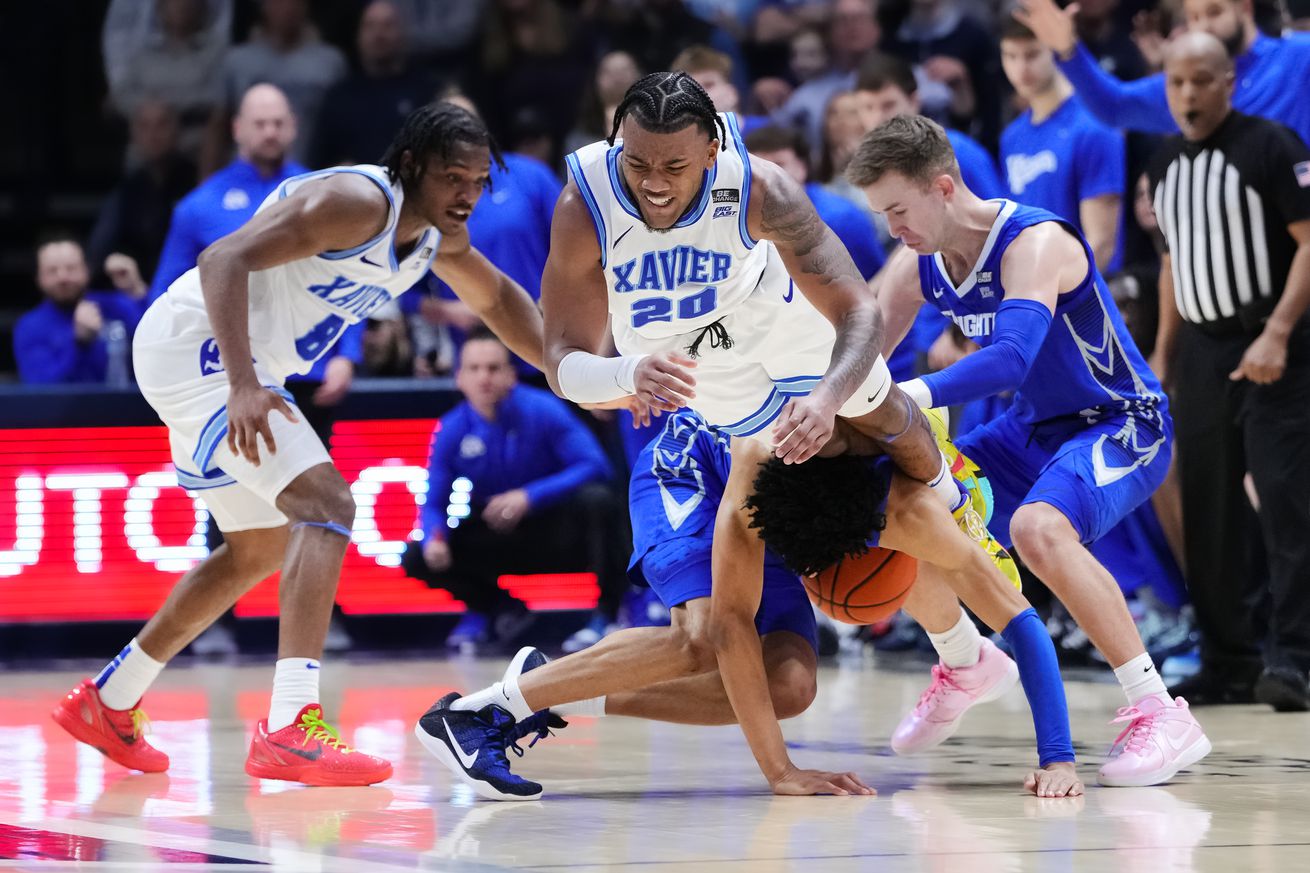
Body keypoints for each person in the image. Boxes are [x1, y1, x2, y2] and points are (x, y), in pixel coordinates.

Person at [50, 102, 546, 787]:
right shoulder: (354, 201)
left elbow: (496, 301)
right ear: (411, 167)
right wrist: (245, 382)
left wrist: (566, 366)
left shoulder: (435, 237)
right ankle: (290, 725)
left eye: (479, 180)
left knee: (258, 547)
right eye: (454, 177)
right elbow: (223, 255)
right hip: (201, 350)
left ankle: (110, 700)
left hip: (227, 362)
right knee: (328, 503)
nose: (468, 194)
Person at [414, 409, 1083, 800]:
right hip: (691, 469)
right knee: (700, 632)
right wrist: (781, 771)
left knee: (789, 686)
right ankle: (480, 714)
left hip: (815, 485)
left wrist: (1058, 757)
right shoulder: (751, 493)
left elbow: (1021, 622)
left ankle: (557, 688)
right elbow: (732, 628)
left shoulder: (914, 510)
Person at [849, 114, 1211, 787]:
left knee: (1037, 528)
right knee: (903, 505)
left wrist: (908, 394)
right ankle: (965, 659)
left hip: (1121, 420)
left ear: (944, 186)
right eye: (882, 215)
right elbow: (857, 351)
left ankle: (1161, 709)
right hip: (1031, 427)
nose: (892, 228)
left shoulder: (1035, 241)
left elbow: (1013, 358)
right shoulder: (917, 261)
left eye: (898, 209)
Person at [1147, 33, 1310, 710]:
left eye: (1201, 81)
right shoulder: (1163, 161)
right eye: (1177, 82)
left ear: (1229, 82)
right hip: (1205, 353)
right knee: (1209, 508)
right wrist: (1162, 352)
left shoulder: (1273, 146)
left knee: (1285, 502)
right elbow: (1172, 261)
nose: (1188, 94)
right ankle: (1228, 657)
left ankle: (1296, 660)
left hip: (1279, 344)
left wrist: (1277, 332)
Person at [400, 328, 623, 650]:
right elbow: (433, 502)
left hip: (556, 532)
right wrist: (434, 536)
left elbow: (595, 465)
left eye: (492, 368)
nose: (484, 378)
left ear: (510, 375)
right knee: (417, 554)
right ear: (459, 377)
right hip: (501, 534)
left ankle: (607, 616)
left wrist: (529, 496)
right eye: (474, 369)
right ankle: (499, 609)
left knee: (598, 501)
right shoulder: (452, 428)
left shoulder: (543, 409)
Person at [1014, 0, 1310, 147]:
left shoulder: (1297, 55)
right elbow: (1115, 106)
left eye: (1214, 12)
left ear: (1245, 7)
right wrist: (1069, 52)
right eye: (1194, 17)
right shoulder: (1187, 85)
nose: (1204, 27)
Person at [150, 84, 305, 300]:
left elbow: (346, 280)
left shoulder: (317, 192)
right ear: (237, 128)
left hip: (308, 328)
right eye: (260, 124)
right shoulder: (198, 206)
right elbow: (164, 295)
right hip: (231, 329)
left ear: (293, 126)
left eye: (278, 123)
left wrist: (350, 335)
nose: (270, 132)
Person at [999, 20, 1126, 274]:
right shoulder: (1011, 137)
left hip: (1085, 294)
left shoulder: (1094, 126)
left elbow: (1101, 244)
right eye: (1011, 56)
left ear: (1055, 51)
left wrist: (1049, 296)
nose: (1021, 68)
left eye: (1032, 54)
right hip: (1034, 288)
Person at [309, 1, 444, 169]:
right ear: (358, 36)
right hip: (352, 190)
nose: (379, 34)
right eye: (370, 26)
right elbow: (319, 162)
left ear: (403, 34)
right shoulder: (339, 98)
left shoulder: (428, 93)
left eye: (388, 25)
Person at [744, 125, 886, 281]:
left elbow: (874, 279)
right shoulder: (740, 217)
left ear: (802, 167)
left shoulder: (842, 217)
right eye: (760, 168)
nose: (768, 176)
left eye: (779, 164)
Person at [87, 100, 197, 286]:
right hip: (138, 293)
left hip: (190, 289)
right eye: (144, 126)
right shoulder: (124, 193)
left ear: (178, 131)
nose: (153, 135)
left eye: (162, 125)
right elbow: (97, 256)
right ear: (134, 135)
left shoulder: (199, 185)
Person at [16, 239, 148, 385]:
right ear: (39, 278)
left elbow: (156, 339)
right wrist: (79, 343)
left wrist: (136, 292)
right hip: (69, 407)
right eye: (52, 270)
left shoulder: (115, 305)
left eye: (71, 268)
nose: (63, 277)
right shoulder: (30, 327)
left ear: (86, 271)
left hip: (130, 404)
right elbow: (41, 390)